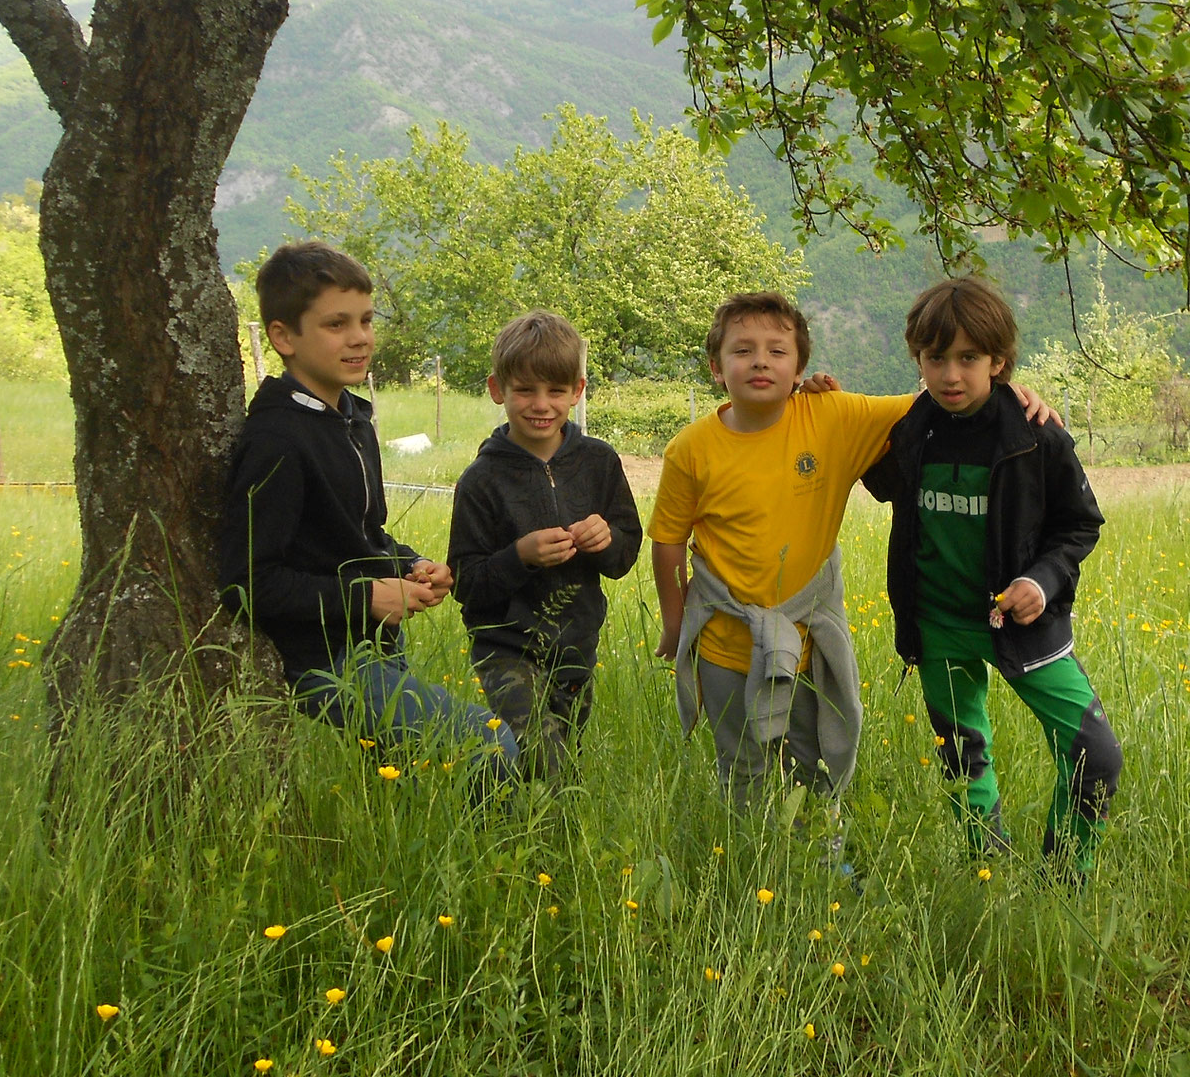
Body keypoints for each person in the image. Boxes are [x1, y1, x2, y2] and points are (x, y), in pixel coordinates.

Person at [650, 290, 1057, 818]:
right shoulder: (691, 447)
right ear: (715, 367)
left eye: (778, 351)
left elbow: (937, 398)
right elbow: (667, 540)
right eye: (742, 350)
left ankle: (824, 866)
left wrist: (1011, 394)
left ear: (801, 368)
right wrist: (674, 623)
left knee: (814, 762)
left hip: (807, 640)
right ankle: (753, 869)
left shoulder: (831, 417)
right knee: (741, 767)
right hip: (724, 642)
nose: (759, 362)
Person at [219, 240, 515, 775]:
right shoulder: (277, 439)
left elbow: (360, 533)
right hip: (322, 660)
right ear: (283, 337)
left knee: (404, 782)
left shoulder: (351, 418)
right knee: (493, 744)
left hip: (373, 645)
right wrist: (367, 597)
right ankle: (506, 858)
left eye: (365, 320)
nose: (359, 338)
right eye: (336, 325)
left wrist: (408, 565)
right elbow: (249, 581)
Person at [864, 278, 1121, 878]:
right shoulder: (910, 430)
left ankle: (1065, 876)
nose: (951, 375)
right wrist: (814, 393)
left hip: (1025, 629)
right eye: (935, 358)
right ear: (918, 360)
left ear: (999, 362)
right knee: (962, 755)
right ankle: (987, 868)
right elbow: (856, 460)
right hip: (940, 625)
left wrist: (1041, 581)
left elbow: (1079, 527)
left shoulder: (1037, 435)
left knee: (1096, 757)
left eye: (969, 359)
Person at [447, 310, 642, 779]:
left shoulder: (598, 462)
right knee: (544, 760)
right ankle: (530, 839)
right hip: (507, 647)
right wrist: (520, 557)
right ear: (498, 390)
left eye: (556, 391)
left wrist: (605, 540)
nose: (541, 404)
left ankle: (511, 827)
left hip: (576, 646)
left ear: (578, 391)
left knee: (561, 764)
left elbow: (625, 554)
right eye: (525, 390)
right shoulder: (482, 480)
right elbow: (466, 581)